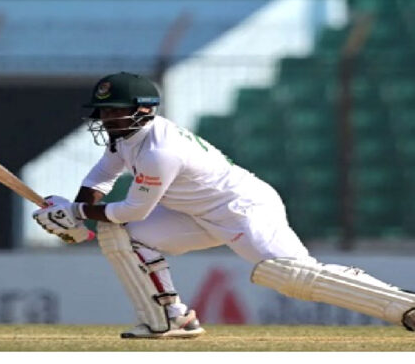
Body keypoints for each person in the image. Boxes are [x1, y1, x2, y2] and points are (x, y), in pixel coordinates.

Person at [32, 71, 415, 339]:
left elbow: (133, 210)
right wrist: (73, 217)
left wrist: (77, 213)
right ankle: (170, 319)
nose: (107, 119)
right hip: (193, 214)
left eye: (115, 110)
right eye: (103, 111)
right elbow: (99, 180)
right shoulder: (125, 138)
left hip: (242, 209)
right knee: (119, 235)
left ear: (145, 109)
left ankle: (403, 305)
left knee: (290, 275)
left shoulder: (160, 150)